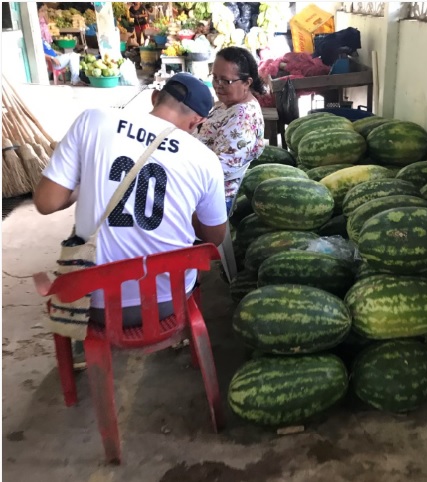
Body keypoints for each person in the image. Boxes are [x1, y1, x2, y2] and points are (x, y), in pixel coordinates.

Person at [33, 73, 227, 328]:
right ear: (197, 122)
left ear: (155, 97)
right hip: (168, 301)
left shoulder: (93, 120)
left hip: (92, 305)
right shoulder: (205, 159)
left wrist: (88, 181)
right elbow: (215, 237)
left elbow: (46, 203)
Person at [195, 47, 266, 213]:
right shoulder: (230, 104)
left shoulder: (242, 118)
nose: (217, 86)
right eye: (215, 78)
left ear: (247, 83)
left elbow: (221, 169)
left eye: (225, 81)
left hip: (212, 198)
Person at [37, 3, 82, 85]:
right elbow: (39, 53)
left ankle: (75, 79)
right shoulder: (37, 41)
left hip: (56, 58)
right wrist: (52, 57)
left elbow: (48, 49)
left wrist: (57, 52)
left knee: (74, 56)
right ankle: (75, 80)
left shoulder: (42, 40)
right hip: (54, 62)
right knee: (74, 56)